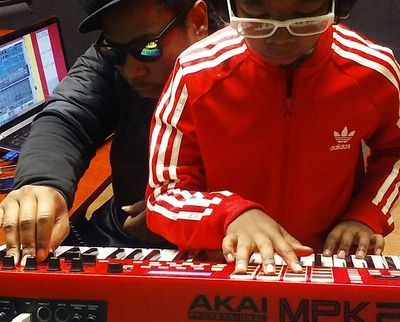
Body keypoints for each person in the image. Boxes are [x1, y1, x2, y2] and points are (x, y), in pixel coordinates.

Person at [146, 0, 400, 275]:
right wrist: (227, 215)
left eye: (303, 16)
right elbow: (163, 195)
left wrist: (366, 214)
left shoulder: (373, 70)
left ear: (337, 6)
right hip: (226, 263)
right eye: (258, 15)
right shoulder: (195, 72)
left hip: (329, 262)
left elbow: (395, 152)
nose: (280, 37)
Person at [0, 0, 226, 265]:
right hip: (126, 233)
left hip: (225, 242)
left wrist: (194, 211)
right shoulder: (123, 47)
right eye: (113, 51)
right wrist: (41, 182)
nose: (131, 71)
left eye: (148, 48)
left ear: (198, 21)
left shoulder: (253, 60)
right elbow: (69, 115)